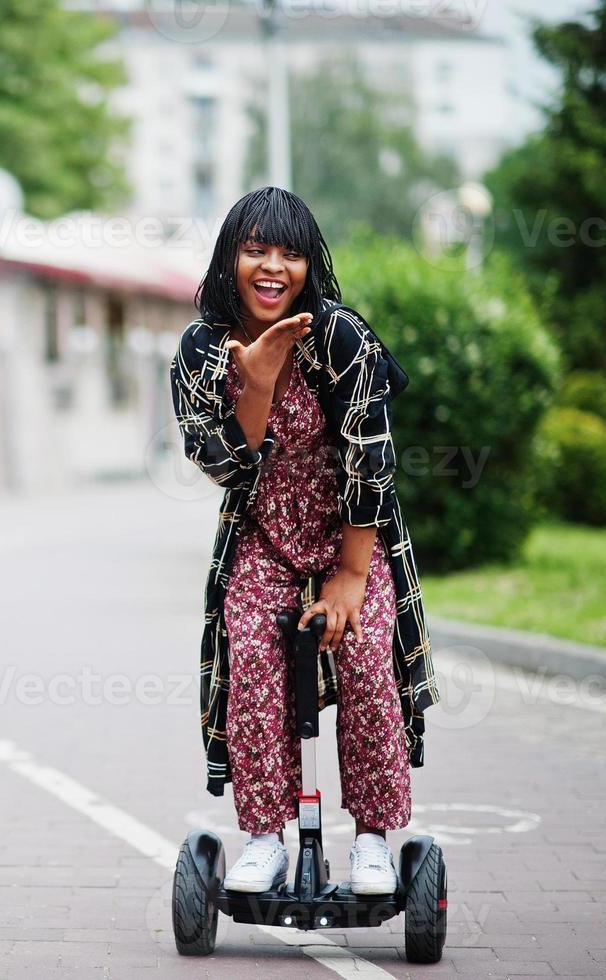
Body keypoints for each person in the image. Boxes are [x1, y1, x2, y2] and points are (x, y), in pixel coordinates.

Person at [168, 187, 440, 896]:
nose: (271, 267)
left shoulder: (339, 335)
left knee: (364, 667)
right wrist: (252, 383)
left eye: (289, 253)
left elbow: (370, 458)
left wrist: (350, 578)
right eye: (255, 249)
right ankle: (263, 838)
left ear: (307, 265)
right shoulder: (203, 349)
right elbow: (223, 466)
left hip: (352, 538)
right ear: (230, 257)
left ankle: (374, 841)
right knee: (252, 670)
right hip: (262, 541)